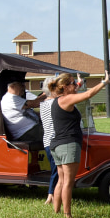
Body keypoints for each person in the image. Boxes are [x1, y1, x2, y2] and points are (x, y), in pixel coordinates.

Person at [49, 71, 109, 218]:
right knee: (68, 182)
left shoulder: (57, 99)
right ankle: (67, 214)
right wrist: (104, 82)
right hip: (68, 145)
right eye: (73, 83)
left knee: (61, 181)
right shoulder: (67, 99)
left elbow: (76, 91)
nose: (75, 85)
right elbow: (87, 95)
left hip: (57, 145)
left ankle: (56, 212)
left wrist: (79, 82)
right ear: (64, 86)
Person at [39, 77, 62, 205]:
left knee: (55, 169)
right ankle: (50, 195)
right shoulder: (53, 103)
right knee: (56, 170)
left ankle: (51, 193)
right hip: (54, 140)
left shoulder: (43, 103)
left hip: (47, 140)